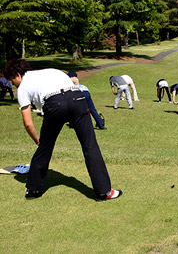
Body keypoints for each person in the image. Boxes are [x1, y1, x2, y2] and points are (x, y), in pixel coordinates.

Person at [3, 59, 121, 201]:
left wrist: (38, 142)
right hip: (78, 99)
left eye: (11, 80)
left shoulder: (23, 87)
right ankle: (104, 191)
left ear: (17, 74)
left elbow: (28, 123)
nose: (13, 84)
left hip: (54, 104)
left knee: (45, 148)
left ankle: (33, 189)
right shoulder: (52, 70)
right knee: (90, 145)